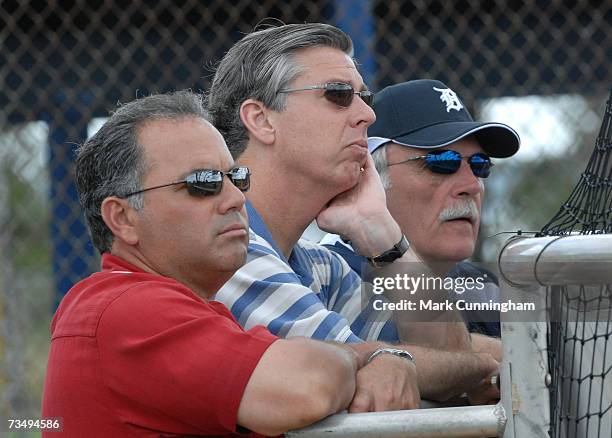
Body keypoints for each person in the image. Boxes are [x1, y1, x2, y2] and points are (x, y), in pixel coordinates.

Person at [41, 91, 411, 437]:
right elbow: (305, 387)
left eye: (235, 177)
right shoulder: (124, 306)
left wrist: (386, 349)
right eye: (203, 183)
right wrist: (376, 357)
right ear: (122, 218)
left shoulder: (303, 267)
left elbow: (453, 353)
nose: (235, 198)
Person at [207, 22, 500, 405]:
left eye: (364, 97)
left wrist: (381, 232)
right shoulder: (229, 250)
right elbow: (378, 368)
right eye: (339, 94)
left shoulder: (315, 263)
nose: (367, 115)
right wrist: (480, 363)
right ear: (261, 120)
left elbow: (439, 355)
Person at [322, 79, 520, 341]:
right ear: (368, 178)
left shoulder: (480, 286)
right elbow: (437, 364)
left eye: (479, 164)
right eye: (441, 162)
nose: (471, 185)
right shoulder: (329, 277)